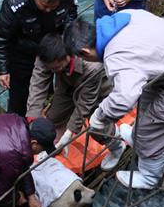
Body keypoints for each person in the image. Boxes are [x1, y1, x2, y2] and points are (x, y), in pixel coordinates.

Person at [63, 9, 164, 189]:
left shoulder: (116, 56)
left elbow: (124, 98)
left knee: (151, 130)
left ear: (84, 52)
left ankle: (149, 177)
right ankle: (136, 135)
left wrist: (101, 115)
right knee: (145, 101)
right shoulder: (126, 16)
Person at [0, 0, 78, 116]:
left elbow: (72, 14)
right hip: (23, 54)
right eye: (44, 5)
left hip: (53, 49)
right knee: (20, 94)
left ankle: (50, 113)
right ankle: (17, 123)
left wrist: (66, 39)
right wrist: (2, 70)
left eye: (53, 6)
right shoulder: (15, 4)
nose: (49, 10)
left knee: (51, 85)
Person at [25, 34, 116, 167]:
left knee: (97, 123)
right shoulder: (45, 55)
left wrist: (70, 130)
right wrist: (33, 117)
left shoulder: (91, 66)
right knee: (54, 117)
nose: (53, 71)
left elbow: (85, 102)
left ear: (68, 57)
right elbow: (38, 82)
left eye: (56, 68)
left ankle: (115, 145)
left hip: (97, 89)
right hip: (67, 84)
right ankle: (54, 146)